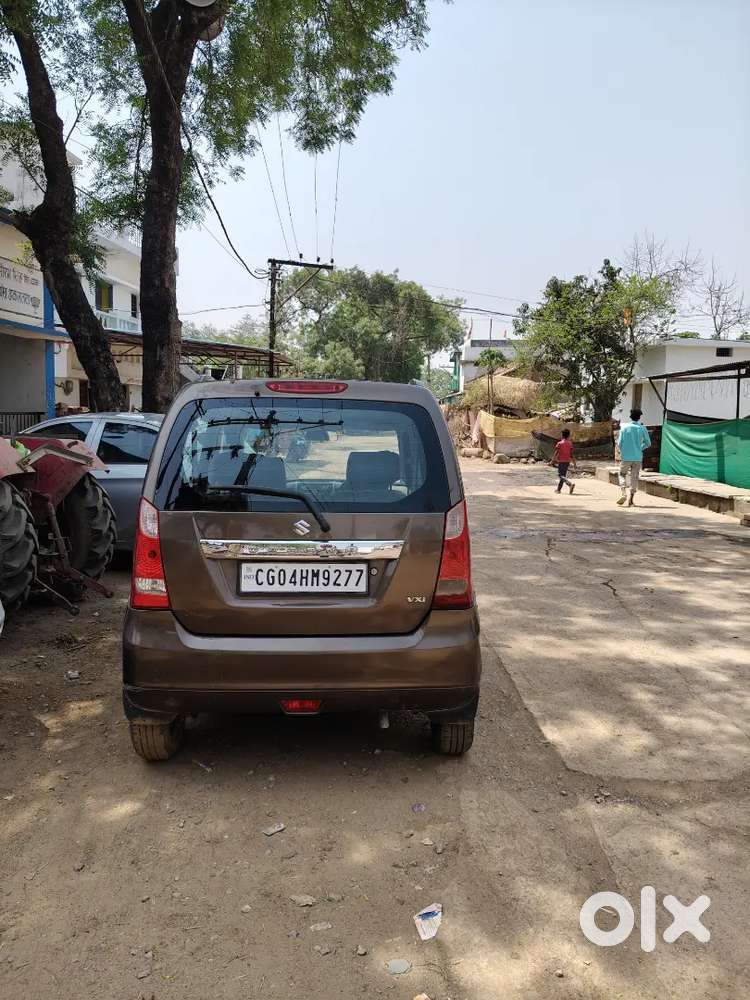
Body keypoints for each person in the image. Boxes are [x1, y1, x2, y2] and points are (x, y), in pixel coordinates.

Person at [617, 408, 651, 506]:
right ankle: (631, 500)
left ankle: (623, 493)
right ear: (639, 418)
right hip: (637, 457)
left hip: (626, 457)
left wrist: (624, 450)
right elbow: (648, 443)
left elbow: (619, 443)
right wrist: (640, 448)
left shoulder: (624, 428)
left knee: (622, 474)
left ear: (630, 417)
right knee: (634, 478)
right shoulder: (642, 428)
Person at [551, 428, 576, 494]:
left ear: (562, 435)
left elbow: (556, 453)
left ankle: (570, 484)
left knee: (560, 475)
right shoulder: (570, 443)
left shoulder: (559, 443)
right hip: (567, 461)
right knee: (563, 476)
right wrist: (574, 463)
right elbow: (571, 454)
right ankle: (558, 490)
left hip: (561, 461)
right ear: (568, 435)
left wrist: (552, 461)